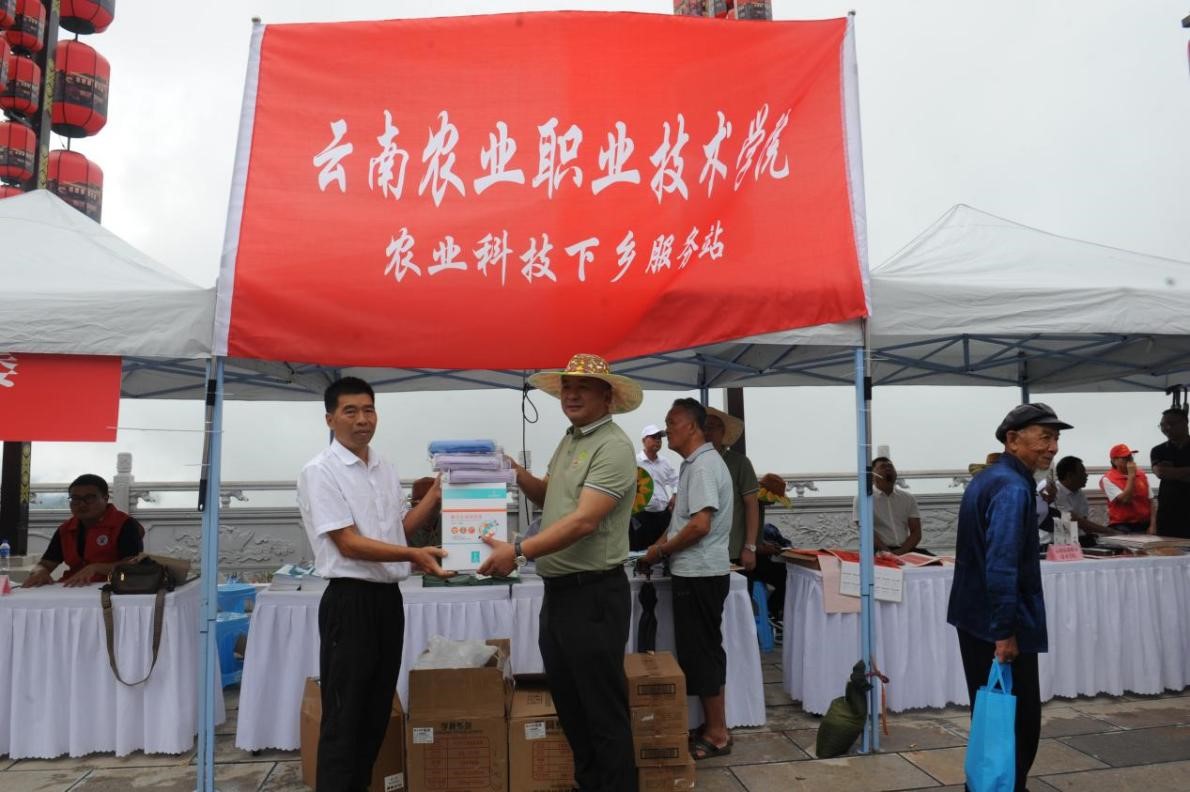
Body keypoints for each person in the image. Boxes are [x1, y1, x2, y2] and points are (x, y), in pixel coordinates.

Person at [479, 353, 640, 792]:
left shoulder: (613, 446)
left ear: (607, 396)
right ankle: (589, 783)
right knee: (571, 704)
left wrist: (517, 550)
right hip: (560, 593)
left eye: (584, 387)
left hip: (594, 594)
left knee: (602, 710)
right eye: (567, 386)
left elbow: (584, 520)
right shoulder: (571, 439)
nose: (572, 394)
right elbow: (550, 495)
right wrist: (514, 472)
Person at [297, 377, 452, 792]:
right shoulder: (320, 471)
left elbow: (397, 531)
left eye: (368, 410)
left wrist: (435, 496)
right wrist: (414, 556)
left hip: (387, 600)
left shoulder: (384, 467)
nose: (362, 419)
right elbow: (348, 543)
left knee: (375, 713)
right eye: (350, 411)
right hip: (350, 602)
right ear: (330, 419)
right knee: (344, 718)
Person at [948, 402, 1071, 792]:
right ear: (1013, 439)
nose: (1053, 447)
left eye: (1056, 439)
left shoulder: (989, 478)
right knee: (1018, 723)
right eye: (1045, 437)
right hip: (998, 625)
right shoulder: (1012, 487)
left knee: (992, 716)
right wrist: (1004, 631)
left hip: (975, 618)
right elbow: (1001, 563)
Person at [640, 398, 734, 760]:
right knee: (699, 650)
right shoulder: (693, 464)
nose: (666, 431)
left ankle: (718, 733)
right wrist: (656, 547)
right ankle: (712, 725)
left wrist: (662, 551)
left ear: (692, 427)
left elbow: (699, 525)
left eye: (671, 422)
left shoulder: (704, 465)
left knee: (704, 651)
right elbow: (682, 521)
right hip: (694, 571)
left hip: (701, 572)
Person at [22, 474, 144, 587]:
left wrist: (96, 568)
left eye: (89, 498)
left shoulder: (125, 524)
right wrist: (40, 572)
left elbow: (134, 565)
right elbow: (45, 564)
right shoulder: (65, 529)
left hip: (114, 587)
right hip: (73, 586)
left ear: (105, 498)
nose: (82, 505)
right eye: (75, 499)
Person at [704, 407, 758, 572]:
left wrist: (750, 547)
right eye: (704, 427)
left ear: (723, 432)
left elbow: (752, 505)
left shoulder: (739, 463)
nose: (707, 432)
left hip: (732, 548)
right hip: (702, 550)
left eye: (712, 427)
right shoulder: (695, 463)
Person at [852, 457, 923, 554]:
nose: (888, 469)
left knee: (937, 562)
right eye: (883, 467)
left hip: (905, 550)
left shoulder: (908, 498)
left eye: (890, 466)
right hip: (877, 551)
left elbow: (916, 533)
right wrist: (888, 553)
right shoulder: (863, 499)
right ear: (872, 475)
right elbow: (866, 532)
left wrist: (901, 551)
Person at [1036, 456, 1109, 545]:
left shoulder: (1079, 493)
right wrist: (1109, 531)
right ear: (1070, 476)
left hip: (1076, 540)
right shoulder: (1053, 489)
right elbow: (1074, 519)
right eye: (1082, 472)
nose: (1086, 475)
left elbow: (1084, 521)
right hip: (1053, 543)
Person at [632, 423, 678, 550]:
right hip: (642, 515)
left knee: (664, 550)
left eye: (659, 438)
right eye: (653, 437)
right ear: (643, 440)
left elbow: (676, 480)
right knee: (641, 550)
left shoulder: (665, 462)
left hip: (662, 515)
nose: (657, 440)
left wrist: (675, 495)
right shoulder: (635, 461)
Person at [1151, 408, 1190, 538]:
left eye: (1171, 424)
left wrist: (1172, 473)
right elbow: (1161, 472)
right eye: (1162, 425)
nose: (1166, 428)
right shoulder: (1158, 450)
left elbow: (1166, 473)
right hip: (1168, 513)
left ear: (1185, 423)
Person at [1098, 444, 1154, 533]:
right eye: (1125, 458)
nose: (1130, 460)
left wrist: (1153, 526)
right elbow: (1126, 499)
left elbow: (1151, 501)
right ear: (1114, 461)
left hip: (1145, 523)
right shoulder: (1108, 479)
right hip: (1123, 525)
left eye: (1130, 457)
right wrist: (1131, 476)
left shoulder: (1141, 475)